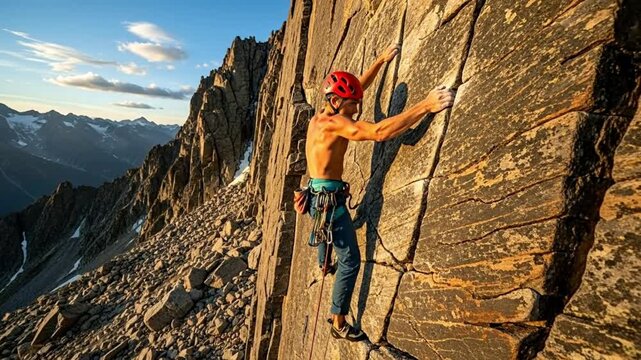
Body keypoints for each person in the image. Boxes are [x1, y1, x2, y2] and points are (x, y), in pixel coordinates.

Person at [304, 43, 455, 342]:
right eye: (352, 107)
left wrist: (380, 61)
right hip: (328, 203)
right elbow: (379, 132)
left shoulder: (320, 116)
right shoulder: (335, 125)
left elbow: (357, 87)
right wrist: (425, 105)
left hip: (315, 196)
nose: (357, 110)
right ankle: (338, 321)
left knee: (324, 233)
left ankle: (324, 262)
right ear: (336, 103)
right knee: (351, 261)